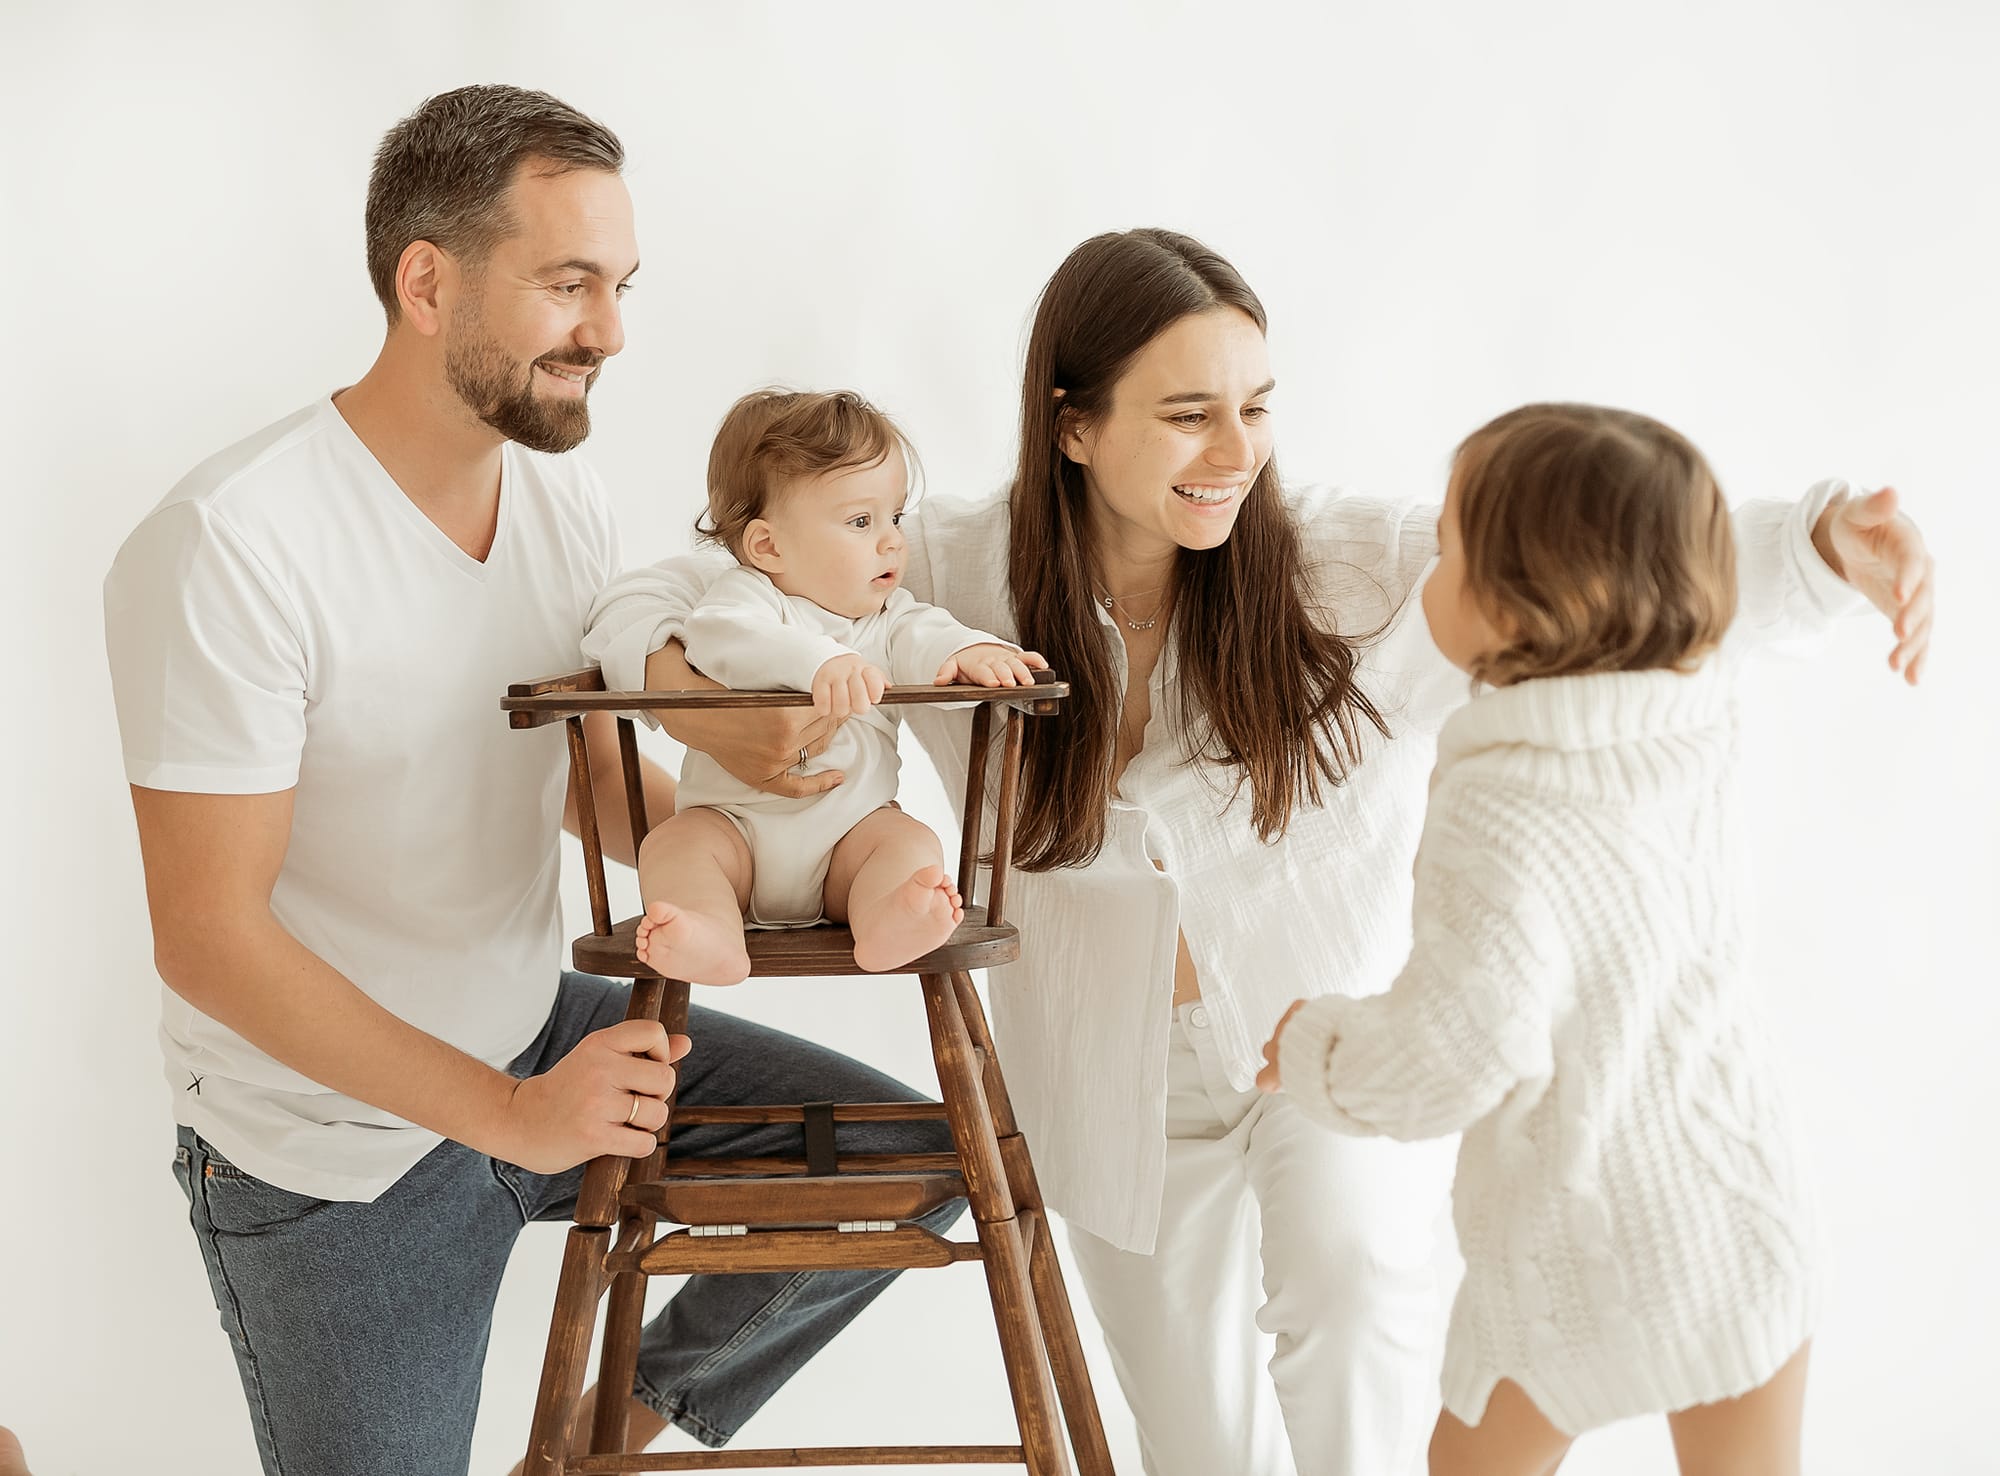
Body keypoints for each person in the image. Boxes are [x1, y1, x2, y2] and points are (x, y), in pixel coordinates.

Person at [581, 231, 1933, 1474]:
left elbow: (1604, 558)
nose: (1236, 449)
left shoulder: (1353, 561)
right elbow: (685, 579)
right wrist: (682, 682)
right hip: (1107, 1071)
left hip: (1325, 1041)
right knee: (1197, 1442)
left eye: (1257, 406)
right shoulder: (937, 560)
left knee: (1352, 1313)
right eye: (1187, 413)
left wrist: (1820, 548)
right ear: (1074, 426)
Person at [102, 85, 958, 1476]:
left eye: (618, 286)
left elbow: (588, 786)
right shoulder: (230, 544)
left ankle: (568, 1456)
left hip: (537, 1038)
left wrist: (793, 845)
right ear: (426, 284)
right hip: (335, 1150)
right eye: (569, 285)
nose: (610, 331)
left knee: (897, 1156)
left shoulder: (561, 502)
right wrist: (512, 1114)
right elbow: (208, 937)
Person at [1259, 402, 1824, 1475]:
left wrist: (1315, 1050)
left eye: (1453, 544)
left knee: (1467, 1467)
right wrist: (1829, 548)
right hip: (1744, 1211)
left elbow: (1453, 1055)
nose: (1430, 561)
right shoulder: (1693, 723)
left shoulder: (1500, 806)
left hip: (1575, 1258)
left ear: (1524, 603)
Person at [624, 387, 1044, 984]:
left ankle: (887, 920)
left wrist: (970, 652)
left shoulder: (889, 617)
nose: (893, 539)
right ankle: (709, 931)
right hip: (733, 829)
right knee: (672, 846)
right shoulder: (745, 601)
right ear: (768, 545)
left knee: (910, 843)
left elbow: (929, 638)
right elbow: (721, 639)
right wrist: (819, 661)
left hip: (852, 837)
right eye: (860, 521)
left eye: (894, 517)